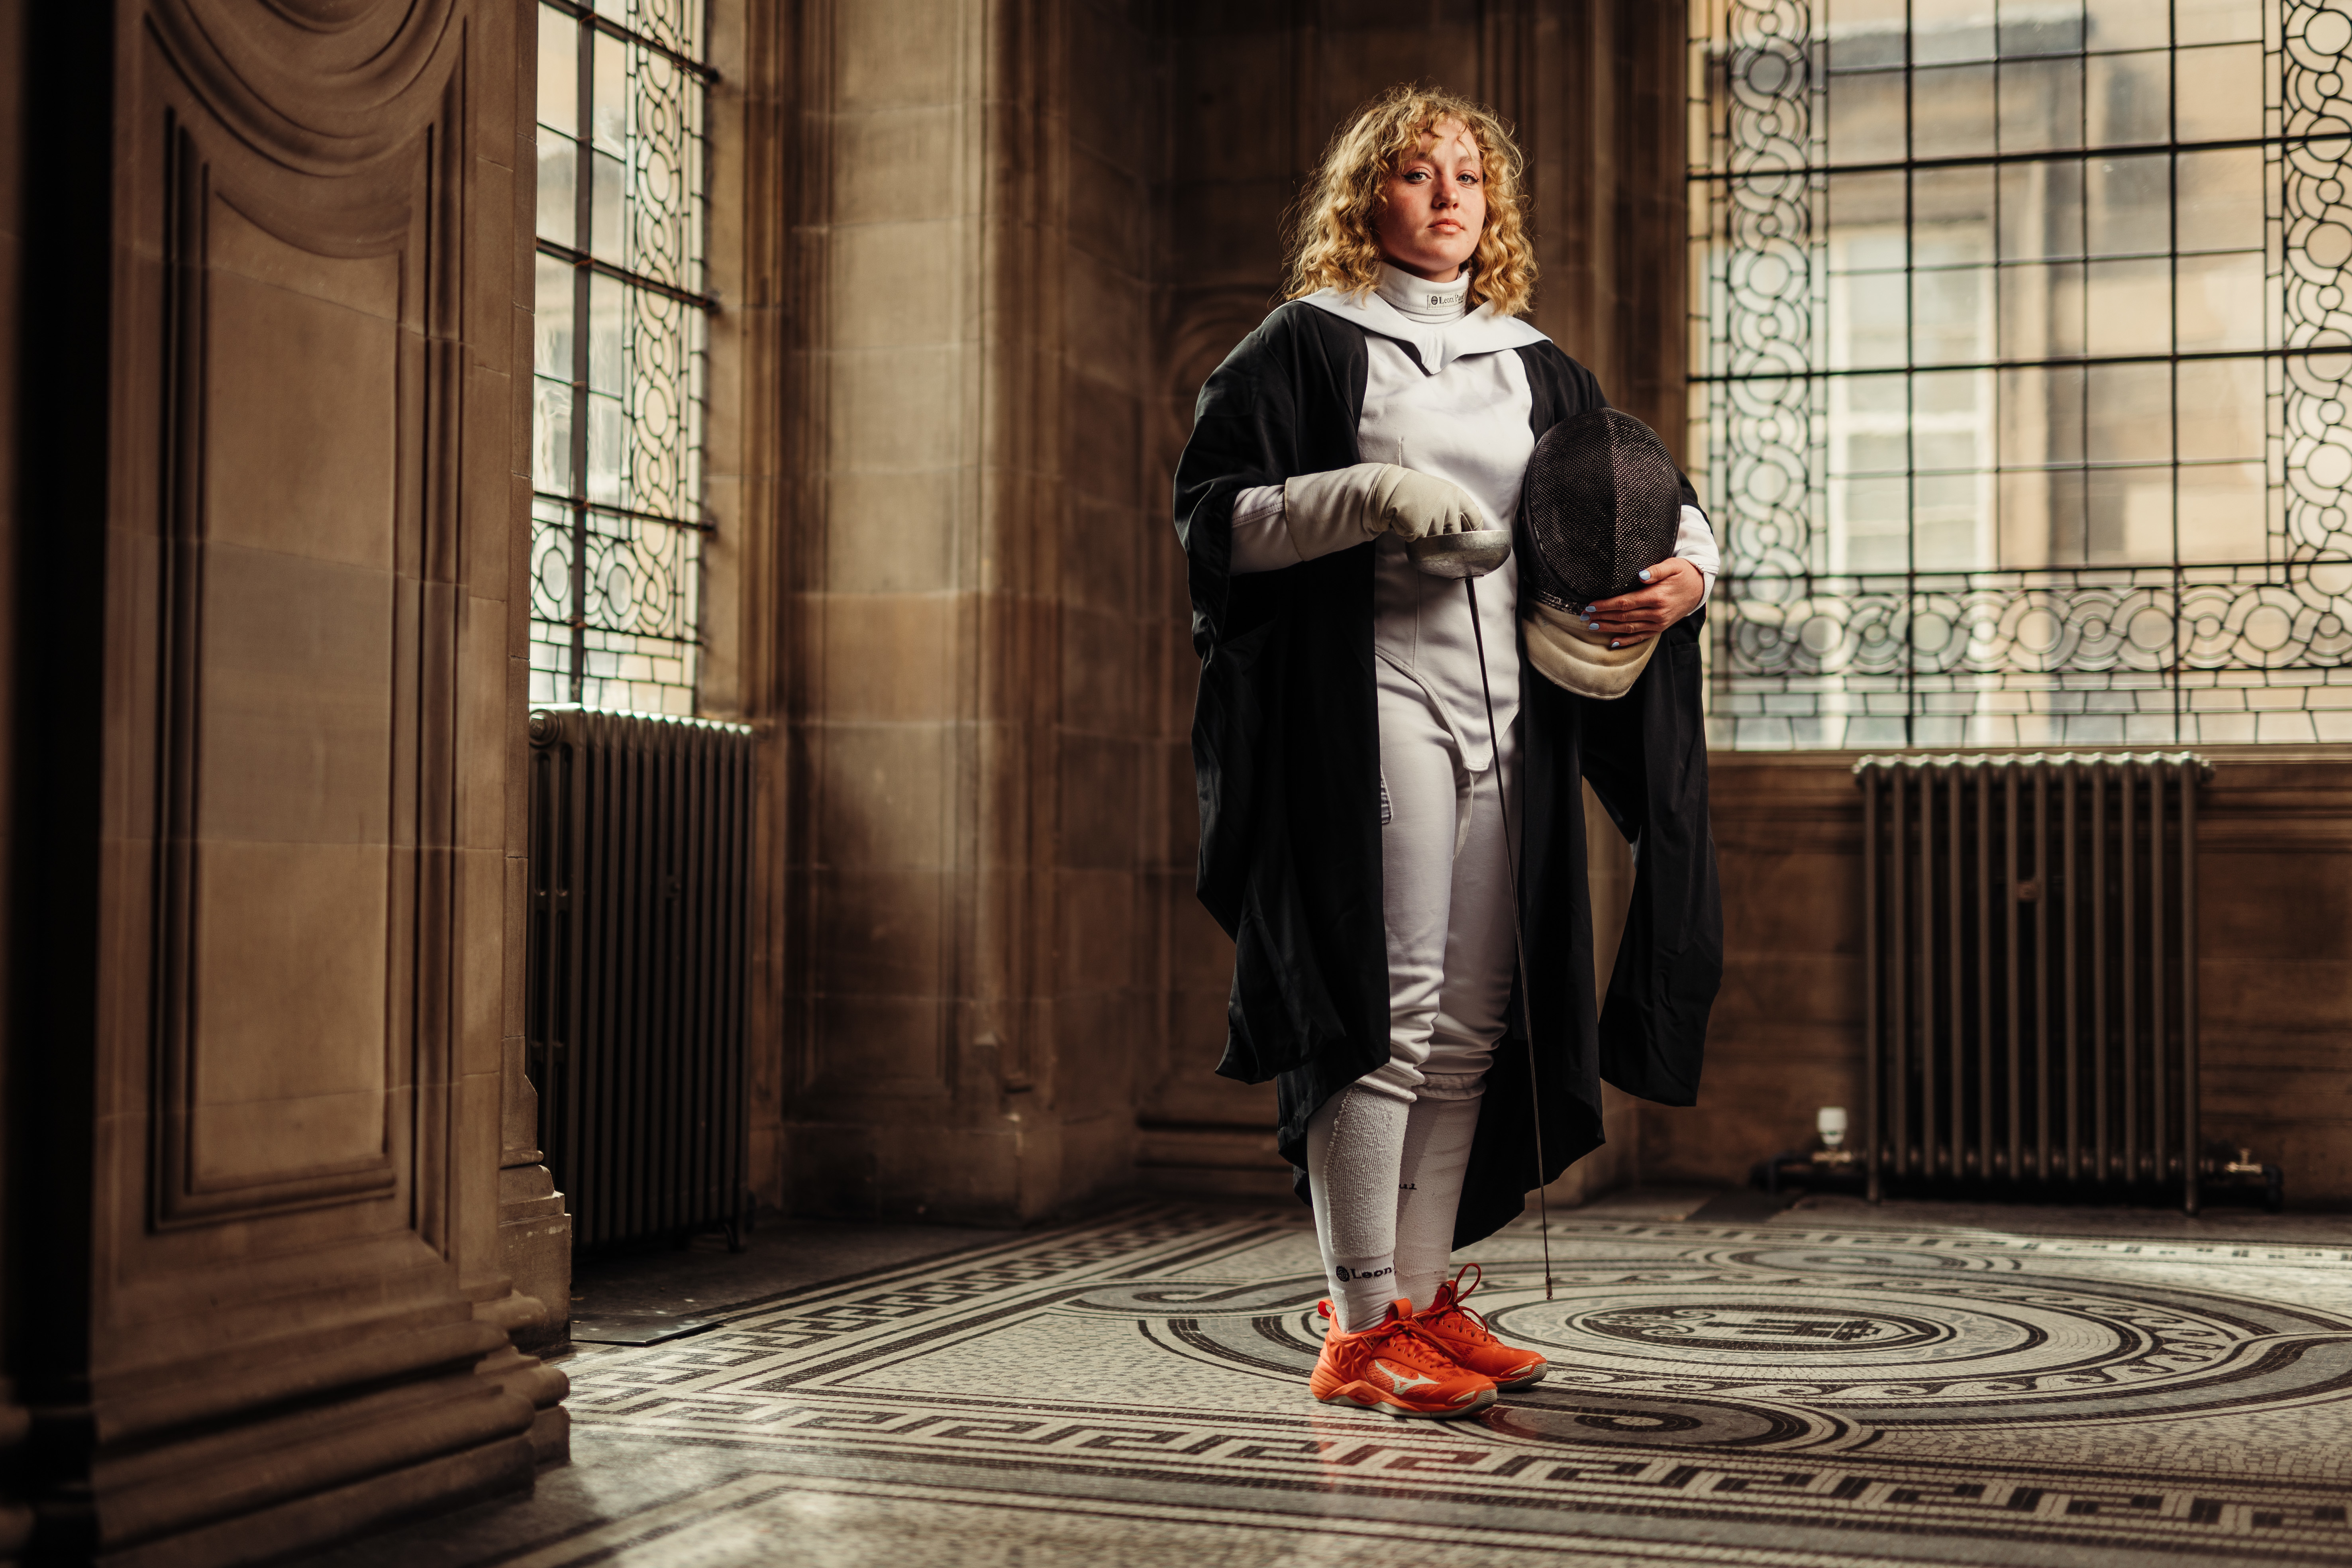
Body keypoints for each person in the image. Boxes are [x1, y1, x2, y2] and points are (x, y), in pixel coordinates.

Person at [1171, 86, 1723, 1420]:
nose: (1447, 193)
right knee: (1390, 1004)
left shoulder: (1534, 361)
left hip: (1514, 713)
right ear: (1368, 197)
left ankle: (1419, 1305)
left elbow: (1643, 489)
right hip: (1369, 700)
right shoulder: (1304, 347)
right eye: (1416, 173)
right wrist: (1371, 495)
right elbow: (1216, 519)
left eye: (1468, 175)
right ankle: (1358, 1327)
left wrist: (1693, 571)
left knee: (1477, 1019)